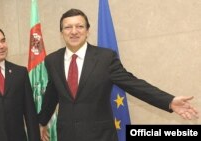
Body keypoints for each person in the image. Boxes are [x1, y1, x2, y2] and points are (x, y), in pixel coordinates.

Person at [38, 9, 199, 141]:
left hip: (100, 136)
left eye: (79, 26)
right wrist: (41, 122)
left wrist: (169, 101)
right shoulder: (52, 60)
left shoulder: (105, 57)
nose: (74, 31)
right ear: (61, 32)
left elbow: (133, 84)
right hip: (67, 136)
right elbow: (52, 93)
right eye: (68, 27)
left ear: (87, 31)